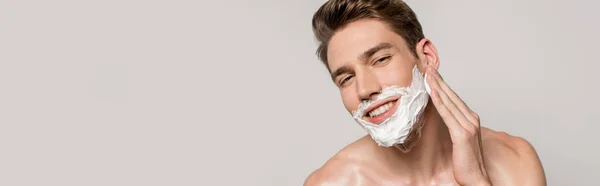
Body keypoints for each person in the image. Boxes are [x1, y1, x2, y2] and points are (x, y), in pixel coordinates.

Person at [305, 0, 546, 185]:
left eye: (381, 59)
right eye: (346, 78)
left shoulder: (515, 161)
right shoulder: (332, 182)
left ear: (426, 58)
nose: (365, 89)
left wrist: (476, 181)